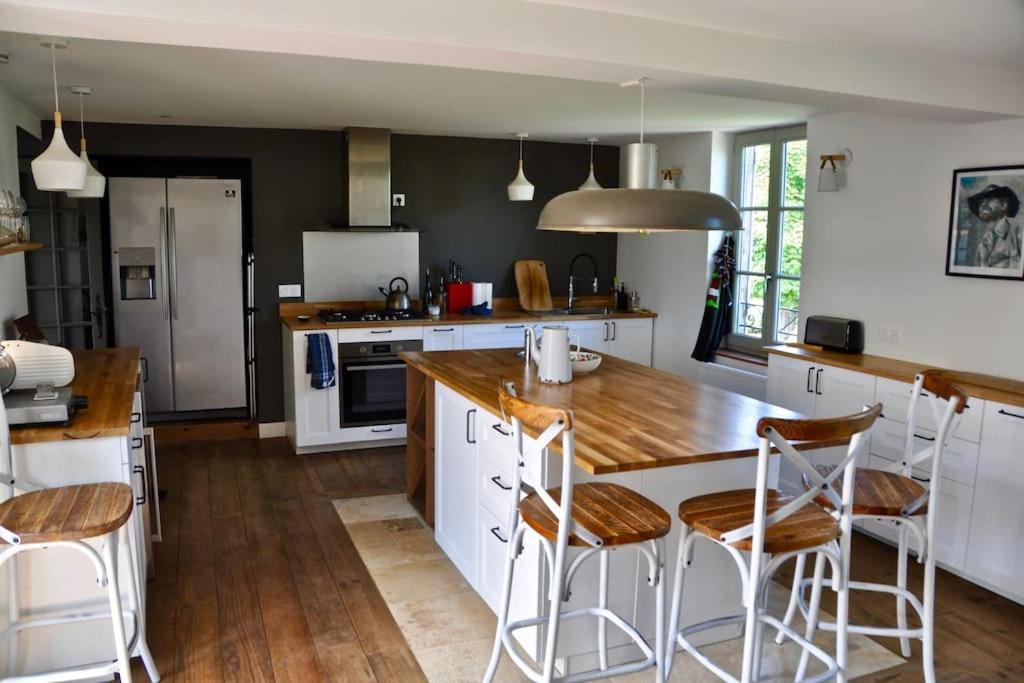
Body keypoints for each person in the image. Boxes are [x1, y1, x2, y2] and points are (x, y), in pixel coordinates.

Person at [967, 184, 1023, 270]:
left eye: (989, 199)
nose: (983, 204)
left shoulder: (1019, 231)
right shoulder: (983, 243)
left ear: (1004, 205)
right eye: (981, 202)